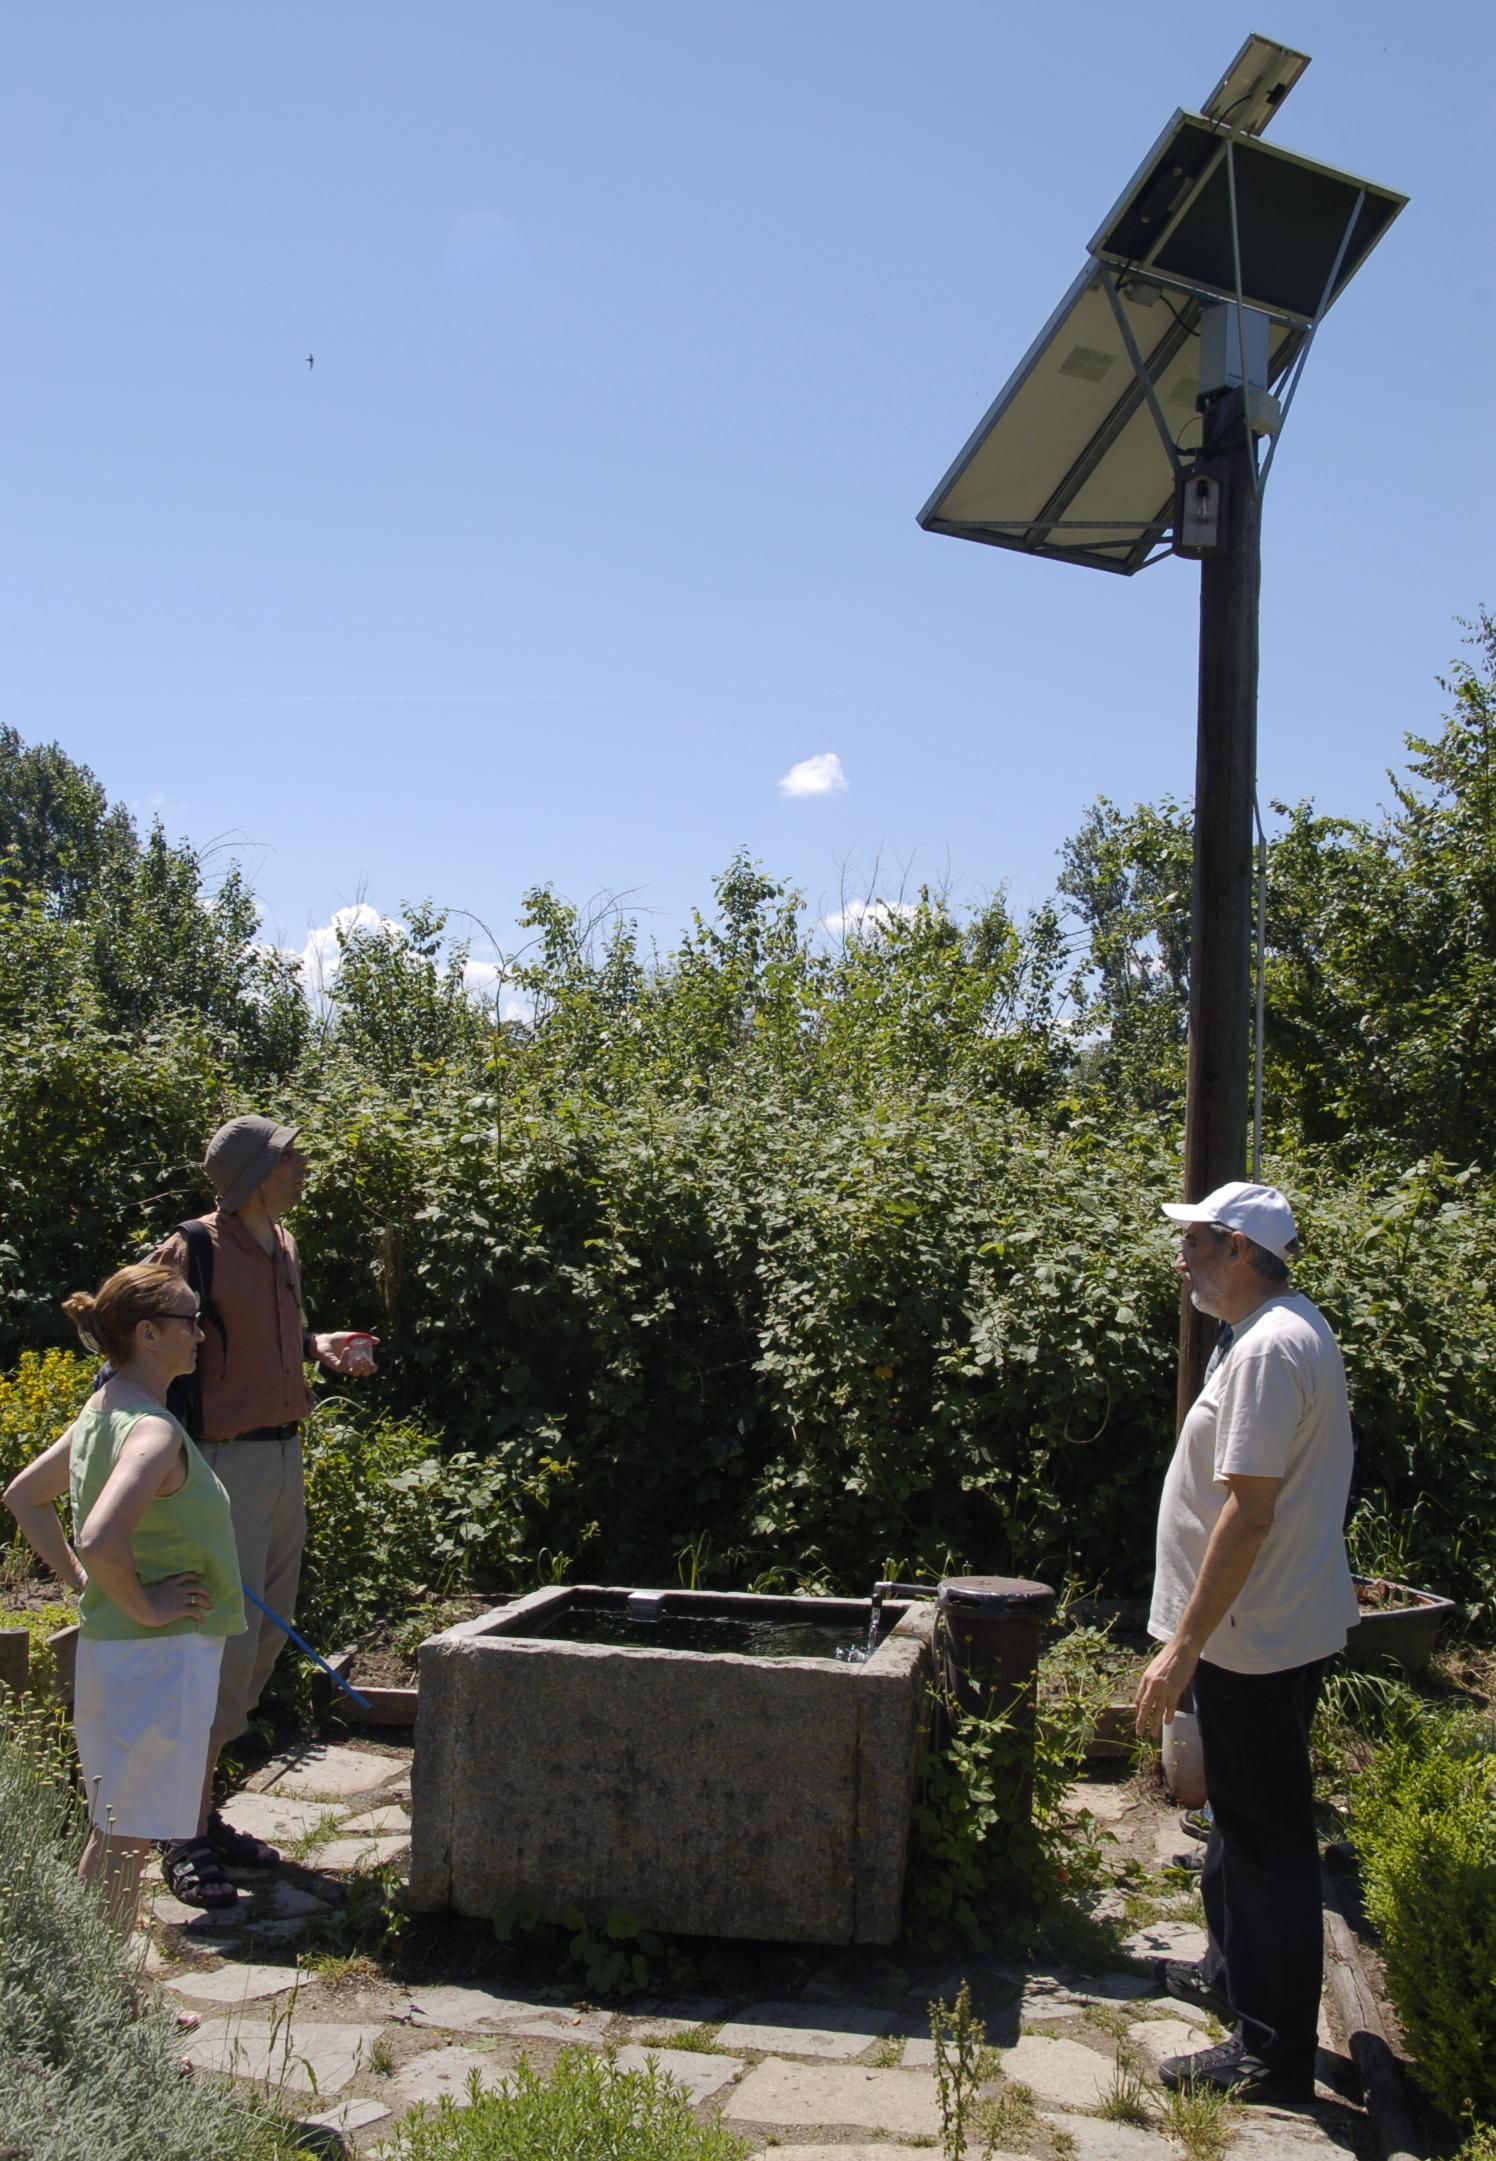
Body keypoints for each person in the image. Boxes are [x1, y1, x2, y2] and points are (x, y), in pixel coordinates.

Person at [1135, 1180, 1359, 2104]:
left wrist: (1183, 1644)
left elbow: (1250, 1511)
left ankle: (1272, 2054)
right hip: (1265, 1625)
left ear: (1237, 1247)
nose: (1180, 1259)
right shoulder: (1272, 1331)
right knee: (1239, 1816)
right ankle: (1231, 1973)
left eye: (1193, 1242)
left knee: (1267, 1840)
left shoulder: (1269, 1347)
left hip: (1251, 1635)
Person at [149, 1115, 377, 1907]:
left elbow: (250, 1338)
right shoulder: (193, 1247)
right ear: (251, 1173)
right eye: (290, 1157)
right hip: (221, 1466)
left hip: (283, 1460)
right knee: (217, 1643)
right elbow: (133, 1334)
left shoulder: (282, 1243)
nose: (304, 1167)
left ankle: (198, 1812)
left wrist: (316, 1347)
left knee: (261, 1643)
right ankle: (179, 1832)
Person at [3, 1264, 246, 1928]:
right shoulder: (152, 1429)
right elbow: (99, 1534)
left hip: (115, 1649)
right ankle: (97, 1979)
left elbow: (24, 1496)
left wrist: (92, 1587)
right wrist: (148, 1605)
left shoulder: (102, 1410)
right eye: (190, 1321)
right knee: (126, 1835)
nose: (201, 1334)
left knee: (116, 1828)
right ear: (147, 1333)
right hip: (159, 1655)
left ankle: (87, 1971)